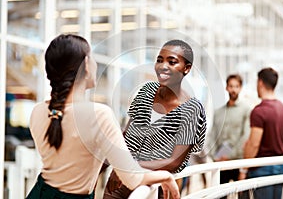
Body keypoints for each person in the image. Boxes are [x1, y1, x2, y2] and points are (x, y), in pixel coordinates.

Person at [26, 34, 180, 199]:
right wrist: (166, 176)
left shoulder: (38, 112)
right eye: (91, 57)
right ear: (86, 64)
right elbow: (132, 178)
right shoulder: (98, 115)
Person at [103, 39, 207, 198]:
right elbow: (127, 134)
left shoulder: (192, 109)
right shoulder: (146, 91)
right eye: (159, 60)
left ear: (186, 68)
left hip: (157, 187)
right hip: (121, 183)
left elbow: (174, 161)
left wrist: (128, 167)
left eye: (172, 62)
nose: (163, 66)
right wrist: (114, 165)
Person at [239, 67, 283, 199]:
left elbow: (254, 145)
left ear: (260, 83)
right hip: (280, 166)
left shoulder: (259, 111)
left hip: (262, 168)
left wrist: (243, 169)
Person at [208, 74, 251, 187]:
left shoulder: (246, 110)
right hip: (220, 163)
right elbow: (212, 135)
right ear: (226, 87)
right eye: (231, 86)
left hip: (237, 161)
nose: (233, 89)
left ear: (240, 88)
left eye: (236, 86)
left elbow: (245, 136)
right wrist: (215, 157)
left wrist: (229, 156)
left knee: (242, 195)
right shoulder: (218, 112)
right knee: (220, 195)